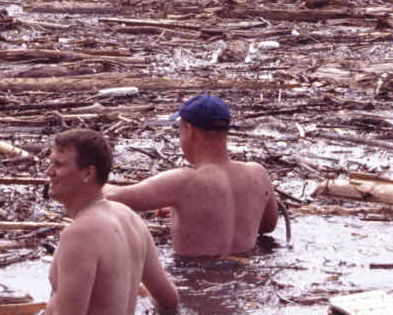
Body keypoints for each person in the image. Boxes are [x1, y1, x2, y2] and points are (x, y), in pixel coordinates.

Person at [14, 129, 179, 315]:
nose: (49, 171)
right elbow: (169, 299)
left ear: (88, 173)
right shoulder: (130, 217)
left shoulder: (80, 233)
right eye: (50, 163)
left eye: (59, 164)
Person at [104, 95, 278, 257]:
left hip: (196, 282)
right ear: (226, 132)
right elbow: (267, 227)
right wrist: (192, 210)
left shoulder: (183, 182)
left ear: (190, 130)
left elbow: (112, 196)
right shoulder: (257, 173)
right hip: (248, 278)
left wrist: (83, 177)